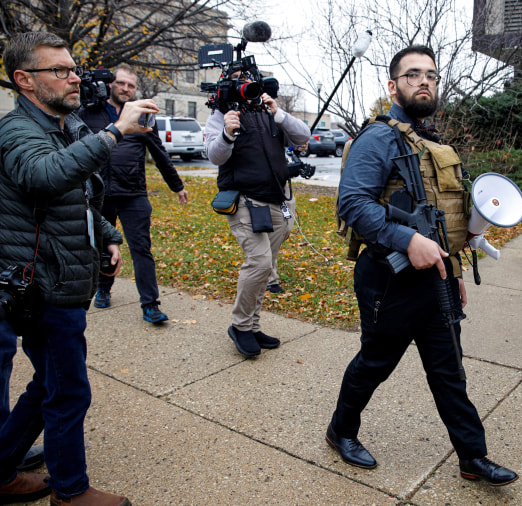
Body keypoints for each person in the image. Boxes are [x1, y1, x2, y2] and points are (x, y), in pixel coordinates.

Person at [326, 45, 518, 487]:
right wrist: (406, 239)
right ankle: (341, 430)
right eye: (412, 75)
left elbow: (440, 217)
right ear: (393, 86)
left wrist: (451, 268)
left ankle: (473, 457)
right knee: (375, 363)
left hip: (437, 279)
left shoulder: (430, 142)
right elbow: (352, 204)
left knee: (449, 369)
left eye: (431, 74)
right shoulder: (377, 138)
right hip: (389, 279)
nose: (424, 81)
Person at [0, 31, 155, 504]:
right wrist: (114, 131)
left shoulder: (63, 125)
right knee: (68, 391)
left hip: (62, 275)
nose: (74, 78)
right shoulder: (15, 130)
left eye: (73, 69)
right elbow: (45, 177)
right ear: (25, 80)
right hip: (43, 283)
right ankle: (70, 493)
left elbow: (77, 192)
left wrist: (106, 235)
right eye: (60, 71)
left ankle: (1, 469)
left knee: (49, 383)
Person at [205, 71, 310, 357]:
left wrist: (279, 112)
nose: (246, 84)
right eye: (239, 79)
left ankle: (252, 325)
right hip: (244, 201)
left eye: (249, 77)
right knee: (260, 262)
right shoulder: (221, 113)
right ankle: (239, 327)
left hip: (275, 200)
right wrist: (227, 132)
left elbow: (303, 137)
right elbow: (214, 155)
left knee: (266, 265)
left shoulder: (268, 111)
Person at [78, 63, 189, 323]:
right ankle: (103, 290)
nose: (126, 89)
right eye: (121, 83)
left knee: (142, 249)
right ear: (110, 84)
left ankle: (150, 305)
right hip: (99, 195)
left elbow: (160, 154)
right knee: (103, 248)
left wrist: (177, 186)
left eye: (131, 85)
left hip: (133, 194)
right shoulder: (89, 112)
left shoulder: (143, 116)